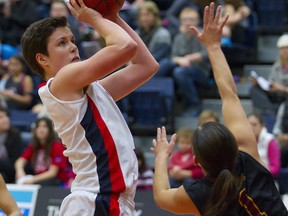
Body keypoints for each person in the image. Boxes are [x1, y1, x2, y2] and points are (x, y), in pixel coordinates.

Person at [21, 0, 158, 215]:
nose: (73, 46)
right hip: (96, 197)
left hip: (113, 199)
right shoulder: (62, 81)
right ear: (42, 59)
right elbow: (125, 47)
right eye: (62, 43)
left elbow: (146, 66)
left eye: (72, 40)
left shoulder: (90, 91)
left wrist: (114, 19)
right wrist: (96, 19)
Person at [151, 3, 288, 215]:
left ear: (197, 161)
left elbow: (161, 197)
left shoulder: (197, 194)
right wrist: (214, 47)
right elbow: (229, 95)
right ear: (233, 143)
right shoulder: (247, 154)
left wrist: (161, 156)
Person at [156, 7, 211, 117]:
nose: (188, 22)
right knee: (166, 65)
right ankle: (159, 102)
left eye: (191, 19)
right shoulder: (178, 37)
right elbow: (173, 57)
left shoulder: (203, 34)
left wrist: (189, 58)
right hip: (182, 68)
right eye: (185, 20)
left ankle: (195, 104)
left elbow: (207, 53)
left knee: (179, 72)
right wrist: (180, 60)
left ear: (197, 21)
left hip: (200, 71)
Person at [14, 117, 72, 186]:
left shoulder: (57, 146)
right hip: (38, 178)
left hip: (56, 180)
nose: (41, 130)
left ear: (50, 130)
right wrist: (20, 171)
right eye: (38, 127)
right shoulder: (34, 145)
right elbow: (20, 161)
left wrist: (32, 180)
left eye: (44, 126)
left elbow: (52, 173)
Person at [250, 33, 288, 116]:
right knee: (254, 89)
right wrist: (260, 84)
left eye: (287, 48)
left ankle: (269, 111)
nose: (285, 51)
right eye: (282, 49)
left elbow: (280, 88)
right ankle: (268, 110)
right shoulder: (277, 65)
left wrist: (282, 89)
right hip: (275, 95)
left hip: (285, 97)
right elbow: (271, 82)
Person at [248, 112, 281, 177]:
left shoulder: (270, 140)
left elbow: (275, 169)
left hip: (267, 180)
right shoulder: (244, 141)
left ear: (262, 125)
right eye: (249, 125)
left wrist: (258, 172)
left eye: (254, 125)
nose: (251, 127)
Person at [0, 106, 23, 183]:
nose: (6, 119)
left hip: (10, 170)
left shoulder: (14, 135)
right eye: (1, 117)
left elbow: (15, 160)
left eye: (6, 116)